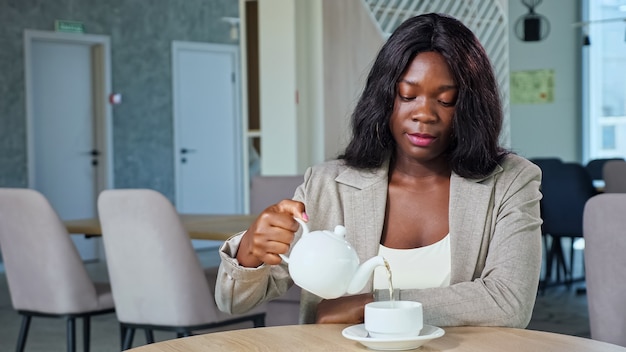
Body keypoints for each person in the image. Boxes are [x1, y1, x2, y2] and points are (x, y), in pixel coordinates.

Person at [216, 12, 542, 328]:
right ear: (385, 97)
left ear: (470, 107)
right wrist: (250, 253)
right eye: (407, 95)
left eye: (445, 100)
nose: (424, 114)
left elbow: (509, 302)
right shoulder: (328, 186)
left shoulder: (511, 181)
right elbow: (234, 302)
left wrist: (372, 305)